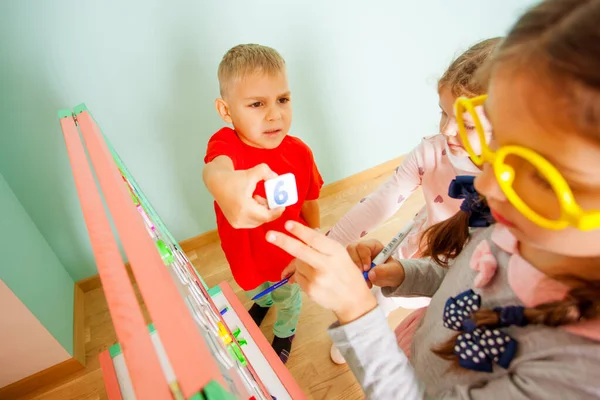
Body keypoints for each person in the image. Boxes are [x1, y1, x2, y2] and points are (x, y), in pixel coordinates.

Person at [266, 0, 600, 397]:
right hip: (425, 331)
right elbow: (468, 281)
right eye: (497, 146)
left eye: (541, 178)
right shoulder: (508, 219)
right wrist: (402, 275)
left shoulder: (575, 372)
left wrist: (358, 315)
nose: (487, 187)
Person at [327, 37, 500, 364]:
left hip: (458, 273)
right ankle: (360, 331)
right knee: (384, 293)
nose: (447, 131)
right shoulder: (433, 151)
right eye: (443, 114)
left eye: (464, 123)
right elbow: (383, 200)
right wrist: (331, 244)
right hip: (418, 244)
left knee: (424, 314)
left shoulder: (509, 193)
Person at [203, 44, 324, 363]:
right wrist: (221, 183)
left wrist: (315, 242)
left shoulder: (300, 152)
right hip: (246, 254)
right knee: (258, 286)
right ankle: (264, 300)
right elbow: (216, 169)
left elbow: (310, 200)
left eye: (282, 99)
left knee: (288, 297)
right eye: (257, 104)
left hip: (285, 258)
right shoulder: (226, 145)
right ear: (226, 111)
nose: (275, 114)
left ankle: (285, 332)